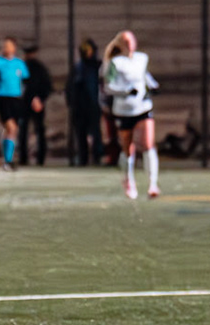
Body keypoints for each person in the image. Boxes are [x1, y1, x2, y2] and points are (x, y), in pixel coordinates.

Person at [102, 29, 160, 199]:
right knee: (128, 148)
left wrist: (154, 86)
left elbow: (145, 77)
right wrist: (126, 91)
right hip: (124, 110)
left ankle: (153, 183)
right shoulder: (115, 63)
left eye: (131, 41)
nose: (129, 45)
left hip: (143, 107)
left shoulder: (142, 59)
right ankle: (129, 180)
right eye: (126, 42)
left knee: (148, 143)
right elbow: (108, 86)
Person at [0, 36, 31, 172]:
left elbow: (27, 82)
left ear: (14, 47)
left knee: (13, 129)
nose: (6, 48)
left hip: (16, 99)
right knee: (11, 128)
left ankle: (7, 159)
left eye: (9, 45)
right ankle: (8, 161)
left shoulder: (19, 64)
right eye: (4, 46)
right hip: (2, 98)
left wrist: (32, 99)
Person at [67, 38, 105, 166]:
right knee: (80, 133)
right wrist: (71, 103)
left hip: (94, 105)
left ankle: (97, 156)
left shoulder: (98, 67)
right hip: (79, 106)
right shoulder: (78, 68)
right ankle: (82, 157)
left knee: (96, 132)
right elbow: (70, 87)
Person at [20, 44, 54, 166]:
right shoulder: (39, 68)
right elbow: (48, 86)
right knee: (36, 130)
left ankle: (26, 158)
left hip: (28, 103)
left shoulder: (27, 67)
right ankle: (39, 158)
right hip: (31, 103)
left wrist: (38, 98)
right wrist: (40, 98)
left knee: (27, 131)